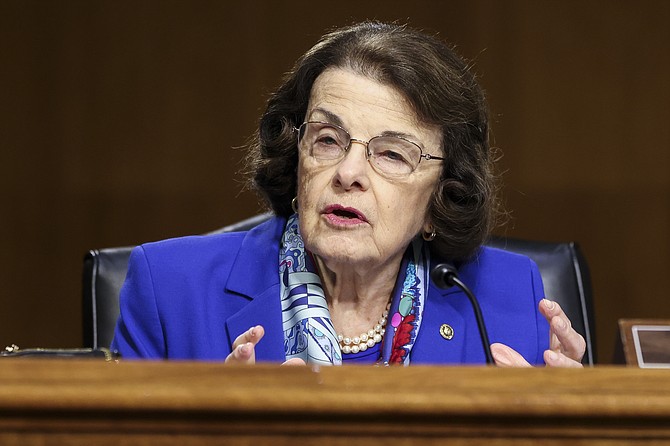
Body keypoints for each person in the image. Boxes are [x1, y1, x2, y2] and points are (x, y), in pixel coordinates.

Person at [111, 21, 586, 367]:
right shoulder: (170, 290)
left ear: (441, 199)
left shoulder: (504, 298)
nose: (349, 172)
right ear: (295, 156)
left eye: (393, 155)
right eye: (328, 140)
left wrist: (568, 431)